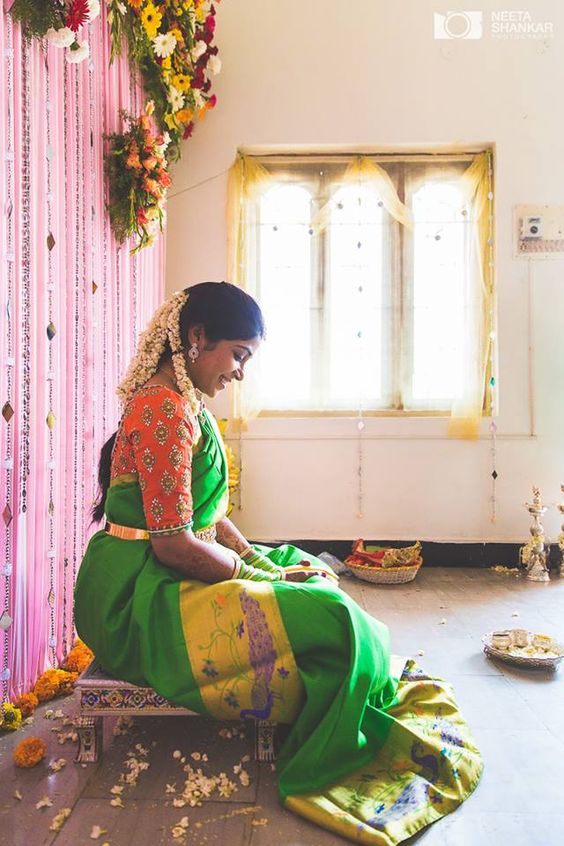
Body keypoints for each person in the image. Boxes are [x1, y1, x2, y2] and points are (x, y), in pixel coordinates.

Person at [74, 282, 482, 845]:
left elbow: (207, 519)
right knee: (330, 617)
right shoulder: (161, 410)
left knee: (305, 570)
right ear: (196, 339)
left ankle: (325, 672)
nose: (240, 372)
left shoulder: (183, 402)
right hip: (137, 594)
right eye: (238, 354)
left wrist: (256, 557)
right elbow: (173, 545)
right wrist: (255, 576)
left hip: (165, 567)